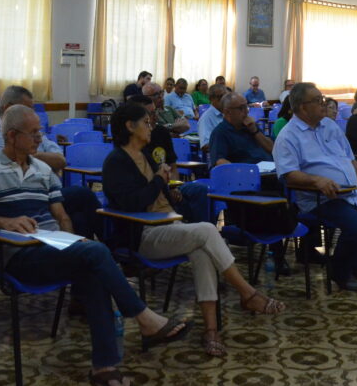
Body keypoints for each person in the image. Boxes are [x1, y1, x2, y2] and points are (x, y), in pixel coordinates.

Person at [0, 105, 190, 386]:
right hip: (18, 257)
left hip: (50, 250)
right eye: (33, 134)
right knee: (95, 253)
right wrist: (3, 222)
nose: (39, 138)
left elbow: (62, 216)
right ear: (12, 136)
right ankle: (143, 319)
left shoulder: (42, 169)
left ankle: (104, 368)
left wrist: (70, 240)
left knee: (90, 264)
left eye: (40, 132)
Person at [102, 102, 283, 357]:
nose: (150, 125)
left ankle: (211, 330)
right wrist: (157, 180)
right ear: (129, 127)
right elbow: (132, 203)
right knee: (208, 231)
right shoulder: (116, 161)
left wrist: (167, 187)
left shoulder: (143, 155)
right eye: (145, 122)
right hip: (143, 235)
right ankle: (248, 293)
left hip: (168, 226)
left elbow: (158, 196)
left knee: (201, 251)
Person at [274, 82, 357, 291]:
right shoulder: (288, 136)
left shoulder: (330, 126)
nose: (323, 104)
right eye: (317, 101)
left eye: (322, 98)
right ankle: (340, 271)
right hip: (322, 199)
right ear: (301, 107)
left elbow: (350, 159)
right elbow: (289, 175)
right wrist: (316, 180)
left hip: (352, 194)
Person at [0, 86, 101, 239]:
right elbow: (14, 162)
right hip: (21, 197)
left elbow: (60, 160)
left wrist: (29, 154)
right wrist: (36, 157)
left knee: (79, 218)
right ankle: (112, 245)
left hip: (47, 193)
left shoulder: (33, 132)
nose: (33, 114)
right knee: (82, 194)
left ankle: (89, 253)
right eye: (28, 109)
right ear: (9, 108)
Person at [128, 94, 210, 224]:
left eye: (155, 112)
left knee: (199, 189)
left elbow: (172, 164)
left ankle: (201, 227)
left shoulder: (162, 132)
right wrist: (165, 189)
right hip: (150, 188)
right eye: (150, 114)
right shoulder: (131, 141)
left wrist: (174, 186)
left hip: (168, 184)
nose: (155, 117)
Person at [197, 84, 227, 152]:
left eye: (225, 97)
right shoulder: (206, 118)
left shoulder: (228, 114)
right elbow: (205, 146)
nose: (223, 100)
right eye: (220, 97)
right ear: (211, 99)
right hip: (219, 157)